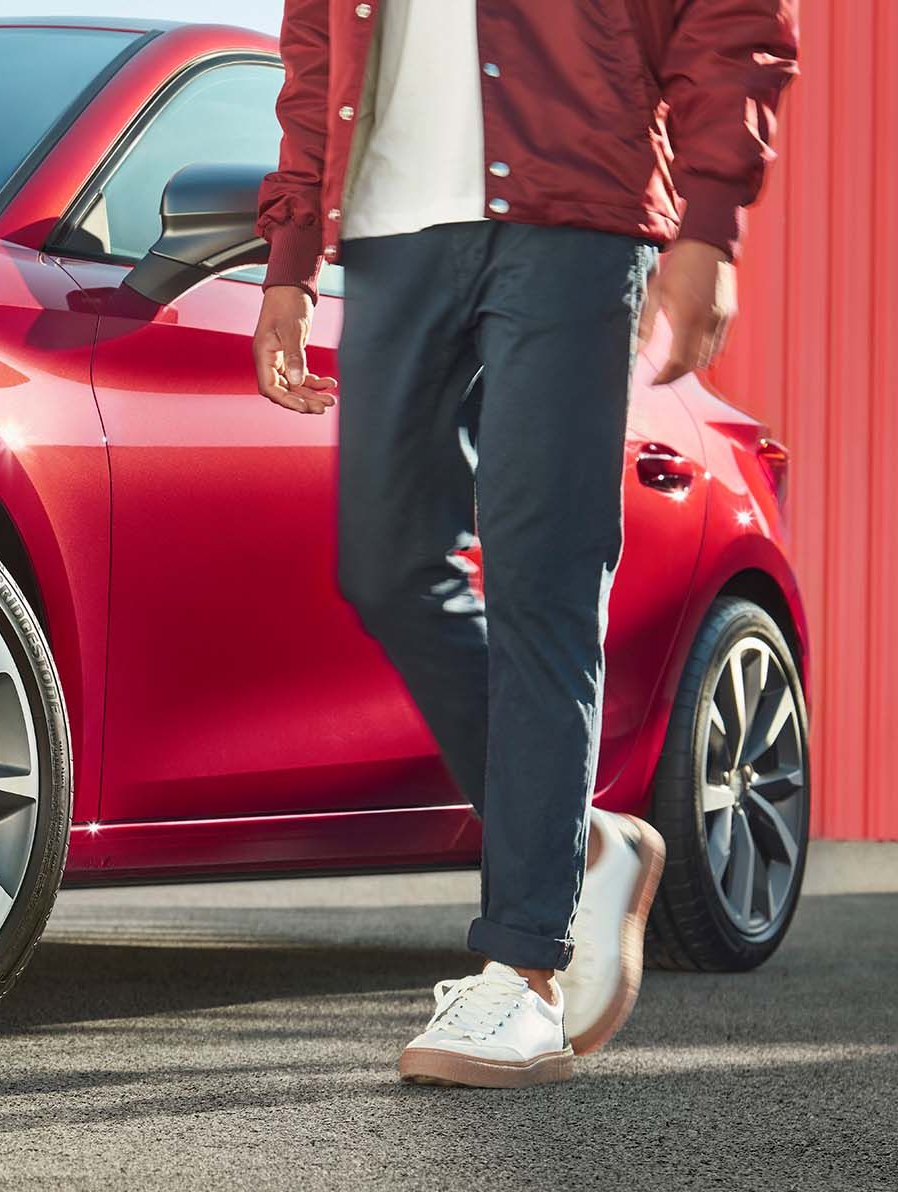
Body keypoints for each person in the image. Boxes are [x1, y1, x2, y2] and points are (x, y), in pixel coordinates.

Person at [253, 0, 798, 1087]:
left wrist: (707, 224)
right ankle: (578, 844)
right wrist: (288, 259)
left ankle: (523, 974)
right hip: (393, 228)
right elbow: (316, 48)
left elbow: (728, 21)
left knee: (542, 573)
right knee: (387, 563)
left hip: (574, 213)